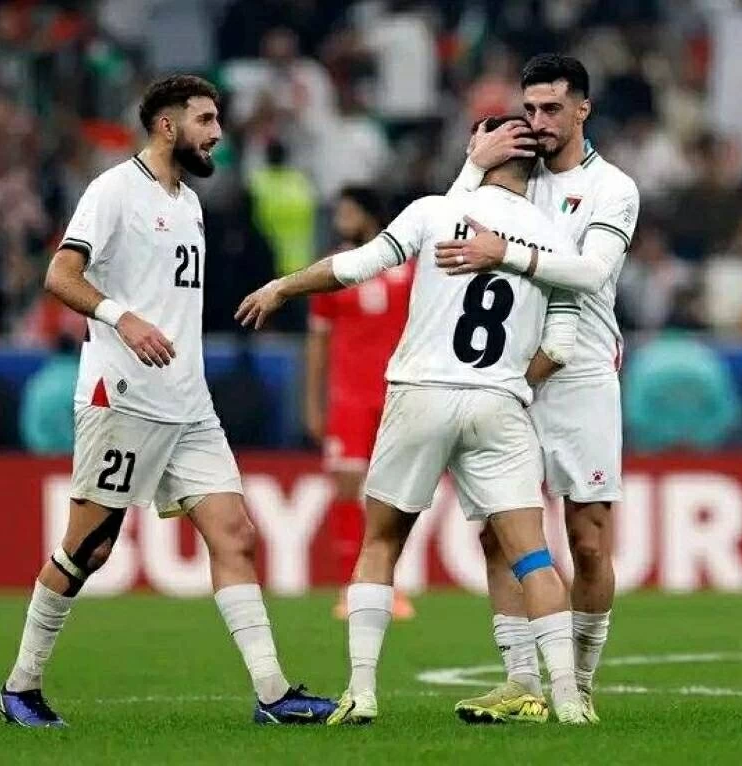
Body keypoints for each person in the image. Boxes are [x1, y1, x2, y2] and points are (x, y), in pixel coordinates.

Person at [0, 75, 336, 728]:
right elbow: (60, 275)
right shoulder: (114, 190)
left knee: (235, 534)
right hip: (123, 396)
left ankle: (273, 695)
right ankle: (20, 687)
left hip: (189, 402)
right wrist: (121, 318)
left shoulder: (190, 203)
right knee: (89, 548)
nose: (217, 134)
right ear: (167, 125)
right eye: (205, 121)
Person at [237, 115, 592, 725]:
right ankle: (566, 701)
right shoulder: (554, 241)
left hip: (422, 394)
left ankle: (362, 693)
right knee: (532, 557)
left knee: (381, 542)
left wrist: (282, 288)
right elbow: (559, 347)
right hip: (499, 403)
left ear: (485, 150)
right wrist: (510, 384)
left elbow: (354, 267)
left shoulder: (434, 211)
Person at [442, 54, 640, 724]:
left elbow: (591, 272)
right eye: (529, 108)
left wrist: (507, 253)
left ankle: (578, 683)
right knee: (501, 534)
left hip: (580, 376)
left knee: (588, 540)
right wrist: (473, 164)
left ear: (583, 109)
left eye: (552, 108)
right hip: (509, 373)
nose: (538, 121)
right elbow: (443, 231)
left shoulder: (612, 188)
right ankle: (521, 683)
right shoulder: (509, 173)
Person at [305, 186, 415, 620]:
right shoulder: (331, 270)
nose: (340, 220)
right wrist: (313, 404)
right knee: (348, 489)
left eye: (348, 212)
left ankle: (387, 586)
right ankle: (349, 587)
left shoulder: (407, 268)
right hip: (348, 400)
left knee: (391, 496)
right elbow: (317, 343)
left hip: (397, 397)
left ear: (370, 215)